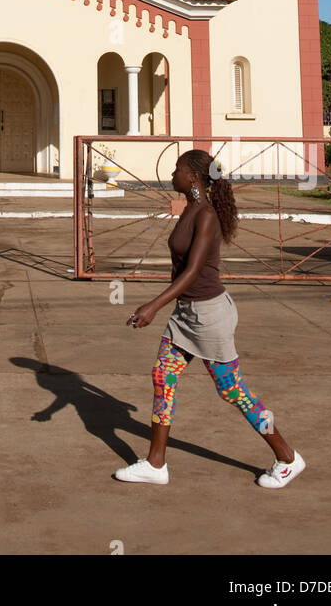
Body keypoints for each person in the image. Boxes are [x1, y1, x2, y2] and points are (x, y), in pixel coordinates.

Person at [114, 149, 305, 488]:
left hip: (208, 316)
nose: (172, 174)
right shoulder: (190, 209)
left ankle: (287, 457)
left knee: (233, 390)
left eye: (177, 169)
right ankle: (156, 464)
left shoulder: (206, 216)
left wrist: (153, 306)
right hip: (186, 314)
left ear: (193, 177)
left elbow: (192, 271)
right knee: (162, 376)